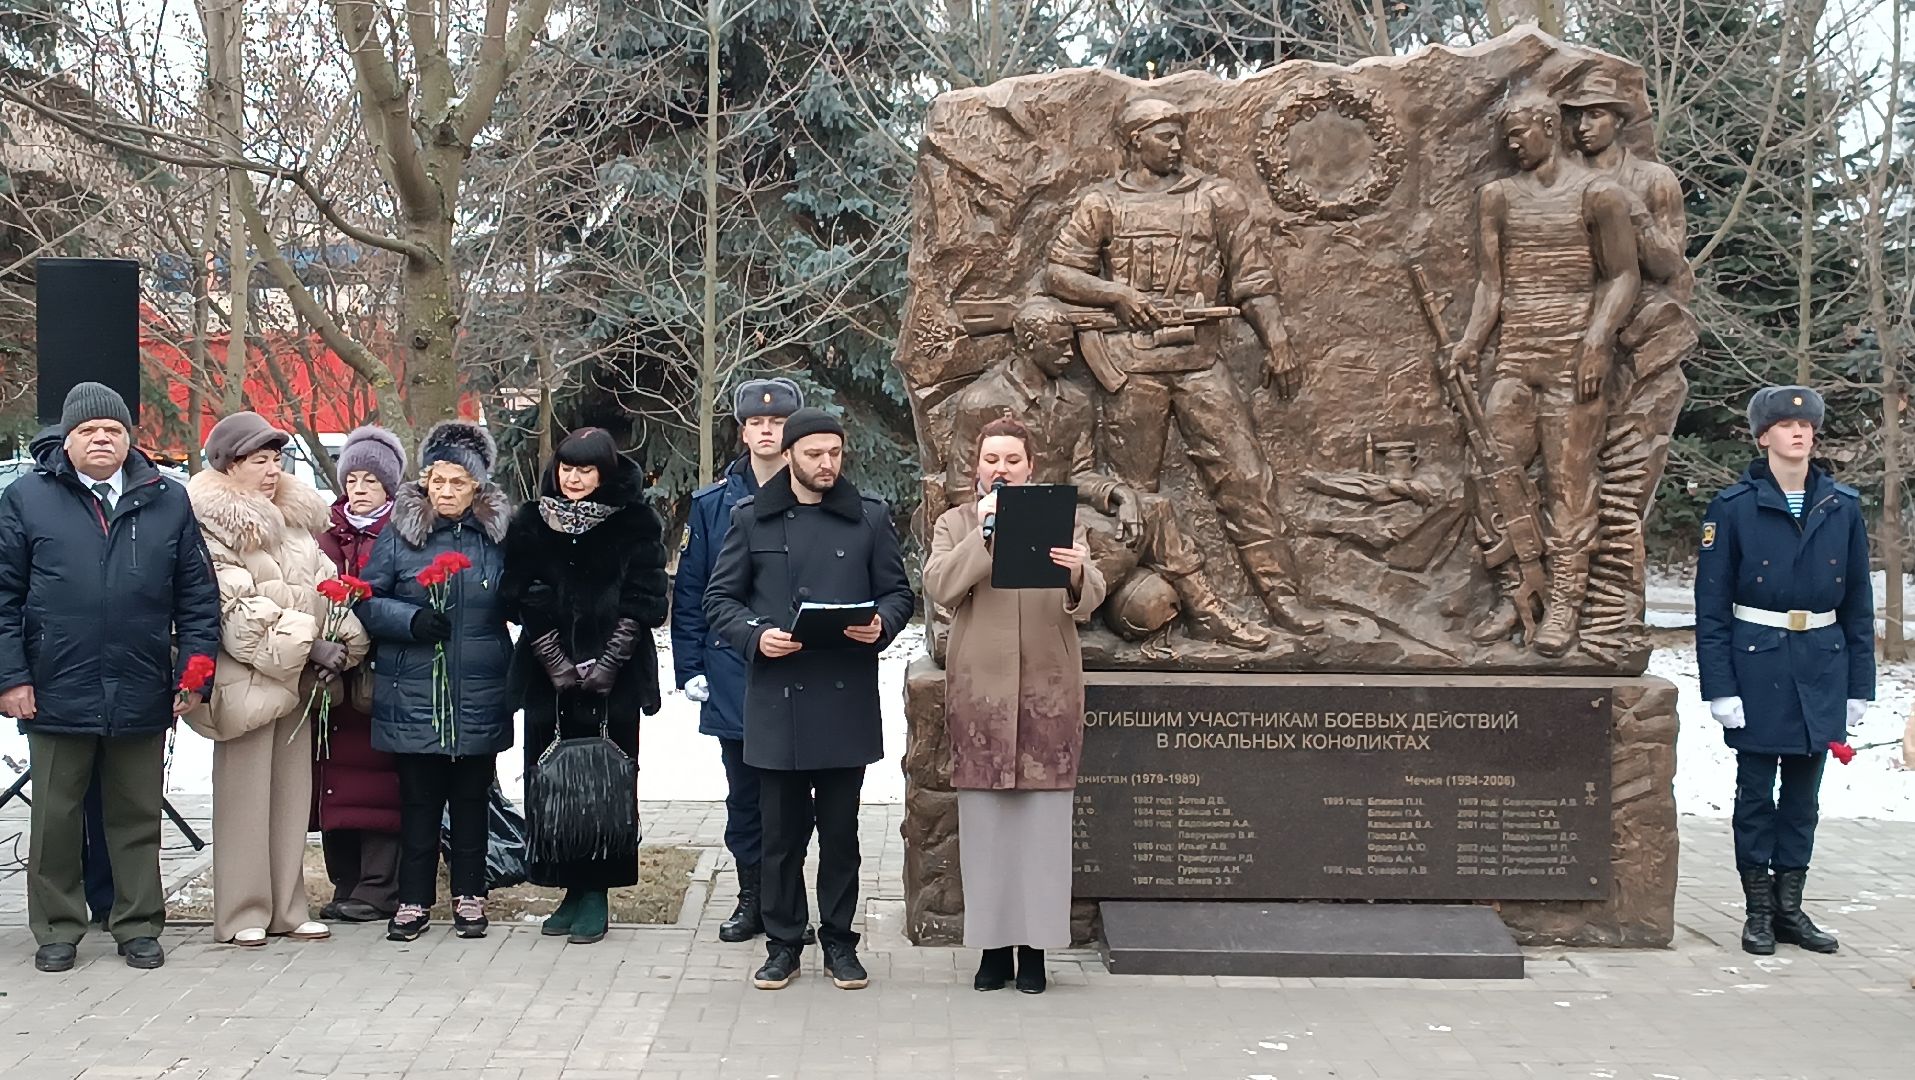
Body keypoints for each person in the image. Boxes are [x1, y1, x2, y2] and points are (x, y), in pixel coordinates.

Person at [1044, 96, 1320, 636]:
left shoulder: (1218, 197)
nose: (1176, 144)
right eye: (1164, 135)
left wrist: (1278, 340)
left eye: (1179, 135)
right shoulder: (1101, 203)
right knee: (1132, 496)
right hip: (1129, 368)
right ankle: (1136, 608)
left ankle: (1281, 597)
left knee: (1245, 477)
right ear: (1134, 142)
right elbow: (1059, 273)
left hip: (1200, 363)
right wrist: (1116, 294)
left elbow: (1253, 278)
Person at [0, 382, 221, 972]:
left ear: (130, 439)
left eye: (114, 430)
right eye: (89, 430)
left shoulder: (165, 499)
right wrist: (11, 677)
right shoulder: (27, 499)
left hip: (141, 682)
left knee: (135, 815)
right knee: (54, 818)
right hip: (53, 686)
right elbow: (3, 597)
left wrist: (195, 671)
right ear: (67, 441)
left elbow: (198, 598)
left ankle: (138, 924)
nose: (102, 438)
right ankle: (57, 927)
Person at [704, 407, 915, 991]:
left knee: (842, 834)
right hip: (778, 699)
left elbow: (898, 593)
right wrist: (754, 636)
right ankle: (783, 944)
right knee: (780, 837)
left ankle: (841, 944)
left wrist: (883, 624)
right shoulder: (752, 518)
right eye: (815, 454)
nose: (827, 464)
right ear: (791, 455)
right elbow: (719, 600)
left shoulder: (869, 517)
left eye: (836, 454)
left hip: (843, 700)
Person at [948, 299, 1267, 650]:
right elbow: (961, 486)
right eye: (1059, 344)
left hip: (1062, 516)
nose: (1069, 353)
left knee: (1154, 509)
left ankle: (1205, 614)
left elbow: (1080, 473)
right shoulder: (982, 400)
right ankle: (1087, 606)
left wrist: (1120, 494)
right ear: (1028, 344)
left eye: (1070, 342)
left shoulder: (1075, 400)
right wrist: (991, 526)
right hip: (1005, 526)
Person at [1451, 90, 1640, 655]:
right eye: (1505, 136)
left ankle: (1563, 606)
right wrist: (1468, 344)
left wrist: (1597, 341)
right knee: (1487, 473)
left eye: (1518, 134)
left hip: (1572, 362)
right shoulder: (1497, 197)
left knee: (1570, 487)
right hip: (1515, 357)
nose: (1511, 145)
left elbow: (1624, 276)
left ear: (1549, 129)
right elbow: (1492, 285)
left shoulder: (1599, 195)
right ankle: (1516, 592)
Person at [924, 417, 1104, 995]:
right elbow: (941, 587)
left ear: (1032, 467)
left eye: (1013, 459)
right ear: (976, 467)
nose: (1001, 468)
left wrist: (1079, 575)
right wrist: (984, 535)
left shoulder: (1064, 521)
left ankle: (1035, 954)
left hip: (1047, 697)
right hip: (983, 701)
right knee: (987, 830)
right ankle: (993, 950)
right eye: (991, 459)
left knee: (1043, 832)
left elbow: (1090, 596)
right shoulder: (955, 522)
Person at [1695, 385, 1872, 957]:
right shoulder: (1734, 507)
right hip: (1758, 664)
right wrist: (1720, 687)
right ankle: (1759, 913)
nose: (1799, 433)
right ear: (1763, 436)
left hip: (1822, 664)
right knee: (1755, 796)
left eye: (1807, 427)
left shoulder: (1841, 507)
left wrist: (1858, 688)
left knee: (1803, 799)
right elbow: (1712, 607)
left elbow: (1860, 605)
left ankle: (1790, 909)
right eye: (1786, 425)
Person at [183, 411, 369, 946]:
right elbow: (233, 605)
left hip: (295, 680)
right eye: (258, 461)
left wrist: (344, 640)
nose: (271, 470)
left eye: (276, 460)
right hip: (246, 679)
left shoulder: (291, 521)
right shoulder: (209, 524)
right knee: (244, 800)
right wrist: (310, 642)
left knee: (292, 797)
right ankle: (242, 913)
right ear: (228, 465)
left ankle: (288, 906)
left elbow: (327, 582)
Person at [501, 427, 670, 945]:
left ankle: (597, 892)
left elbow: (645, 598)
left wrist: (608, 664)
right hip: (546, 673)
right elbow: (517, 593)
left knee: (606, 783)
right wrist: (554, 659)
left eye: (586, 470)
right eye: (567, 469)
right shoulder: (531, 519)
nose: (574, 479)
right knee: (551, 782)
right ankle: (567, 888)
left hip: (613, 676)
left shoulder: (636, 521)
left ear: (606, 473)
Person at [355, 421, 514, 942]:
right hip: (414, 688)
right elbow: (367, 598)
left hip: (478, 685)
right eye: (438, 481)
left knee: (472, 799)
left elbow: (520, 595)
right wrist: (411, 621)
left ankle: (470, 894)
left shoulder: (498, 536)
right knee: (419, 801)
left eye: (458, 482)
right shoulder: (400, 535)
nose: (446, 492)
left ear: (478, 487)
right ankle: (413, 899)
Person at [671, 377, 816, 943]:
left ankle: (789, 902)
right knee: (745, 794)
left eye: (777, 423)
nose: (766, 431)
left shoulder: (814, 495)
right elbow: (692, 592)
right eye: (756, 423)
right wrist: (690, 669)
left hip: (796, 664)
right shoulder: (713, 504)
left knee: (794, 796)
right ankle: (751, 896)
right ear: (743, 431)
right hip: (733, 669)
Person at [314, 425, 408, 922]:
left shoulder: (402, 533)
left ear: (390, 485)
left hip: (380, 679)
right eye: (353, 478)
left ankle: (378, 888)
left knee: (378, 784)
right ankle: (344, 882)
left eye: (372, 479)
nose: (361, 488)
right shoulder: (324, 532)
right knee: (333, 782)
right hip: (331, 684)